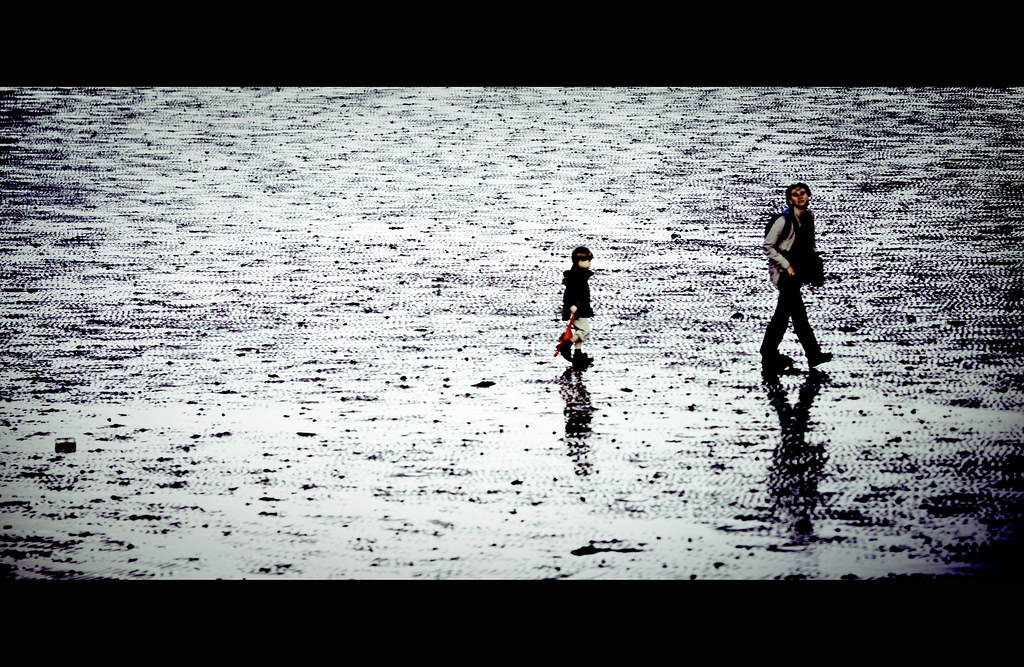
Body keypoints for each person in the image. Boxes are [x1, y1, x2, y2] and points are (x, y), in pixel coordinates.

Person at [760, 183, 832, 372]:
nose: (800, 197)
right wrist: (787, 265)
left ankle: (768, 352)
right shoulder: (784, 221)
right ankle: (813, 354)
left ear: (808, 196)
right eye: (795, 195)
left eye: (803, 193)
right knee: (799, 317)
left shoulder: (808, 218)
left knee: (782, 317)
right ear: (790, 200)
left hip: (798, 274)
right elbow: (768, 246)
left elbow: (810, 246)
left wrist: (813, 270)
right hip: (785, 274)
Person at [559, 246, 595, 369]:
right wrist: (572, 305)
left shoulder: (578, 275)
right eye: (588, 261)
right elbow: (572, 293)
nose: (589, 263)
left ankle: (578, 354)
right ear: (580, 262)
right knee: (585, 331)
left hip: (579, 308)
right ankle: (567, 343)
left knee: (579, 331)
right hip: (577, 309)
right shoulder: (577, 277)